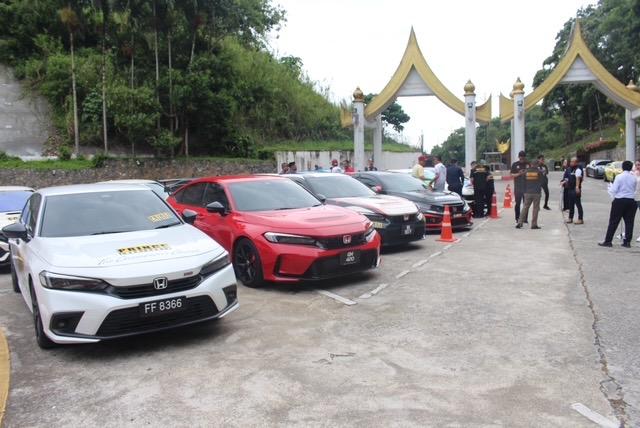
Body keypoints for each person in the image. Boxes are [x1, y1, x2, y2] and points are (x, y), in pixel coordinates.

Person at [598, 161, 637, 248]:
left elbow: (614, 190)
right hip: (631, 201)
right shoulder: (634, 178)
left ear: (622, 167)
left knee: (613, 221)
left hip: (620, 200)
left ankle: (608, 241)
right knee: (629, 222)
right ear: (631, 168)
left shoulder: (619, 177)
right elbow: (634, 189)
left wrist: (610, 189)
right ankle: (627, 242)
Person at [516, 163, 543, 229]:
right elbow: (542, 182)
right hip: (536, 193)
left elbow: (523, 182)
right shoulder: (539, 172)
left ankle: (519, 223)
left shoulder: (526, 172)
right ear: (537, 165)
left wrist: (524, 191)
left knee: (525, 207)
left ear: (531, 165)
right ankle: (534, 225)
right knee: (535, 209)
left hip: (527, 192)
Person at [562, 157, 584, 224]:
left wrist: (577, 187)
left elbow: (578, 179)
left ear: (576, 163)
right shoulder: (569, 169)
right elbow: (566, 178)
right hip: (569, 189)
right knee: (571, 204)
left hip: (575, 189)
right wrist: (564, 182)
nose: (571, 163)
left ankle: (580, 219)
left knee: (578, 204)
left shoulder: (578, 169)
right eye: (571, 161)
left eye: (572, 162)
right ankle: (570, 218)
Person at [510, 151, 531, 223]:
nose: (522, 159)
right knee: (518, 203)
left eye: (523, 158)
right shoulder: (515, 164)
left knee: (526, 204)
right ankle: (517, 218)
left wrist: (526, 173)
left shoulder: (528, 164)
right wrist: (519, 173)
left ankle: (525, 218)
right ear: (519, 157)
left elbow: (532, 174)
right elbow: (511, 174)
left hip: (527, 187)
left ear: (525, 157)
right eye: (521, 157)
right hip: (518, 187)